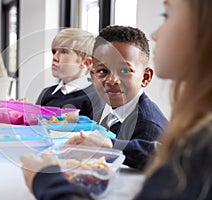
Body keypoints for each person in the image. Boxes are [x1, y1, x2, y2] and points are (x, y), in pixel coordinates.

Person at [20, 0, 212, 199]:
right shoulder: (191, 133)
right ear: (92, 73)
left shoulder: (152, 127)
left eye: (166, 15)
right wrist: (112, 146)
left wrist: (45, 180)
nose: (156, 34)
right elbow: (158, 154)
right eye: (102, 71)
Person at [67, 25, 167, 170]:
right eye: (103, 71)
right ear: (93, 75)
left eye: (124, 70)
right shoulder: (115, 114)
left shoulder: (147, 127)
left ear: (145, 77)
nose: (112, 80)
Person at [35, 28, 105, 120]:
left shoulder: (96, 96)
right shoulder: (46, 93)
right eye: (54, 52)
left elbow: (96, 132)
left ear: (86, 63)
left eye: (64, 52)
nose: (55, 58)